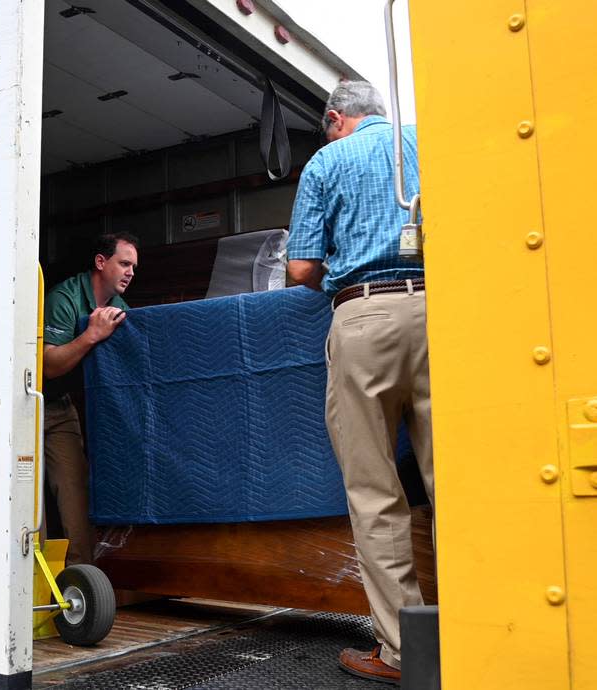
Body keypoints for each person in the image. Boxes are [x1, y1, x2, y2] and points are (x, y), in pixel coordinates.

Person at [286, 80, 431, 685]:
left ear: (337, 119)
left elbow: (299, 267)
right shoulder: (425, 143)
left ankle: (403, 653)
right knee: (460, 483)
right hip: (438, 310)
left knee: (376, 495)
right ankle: (492, 631)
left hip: (362, 315)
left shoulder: (326, 160)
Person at [42, 232, 138, 566]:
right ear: (101, 262)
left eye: (133, 267)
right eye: (124, 263)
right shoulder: (64, 298)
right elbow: (49, 365)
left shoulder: (120, 308)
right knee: (26, 504)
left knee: (76, 498)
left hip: (61, 408)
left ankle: (80, 584)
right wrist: (91, 335)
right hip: (25, 407)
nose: (130, 272)